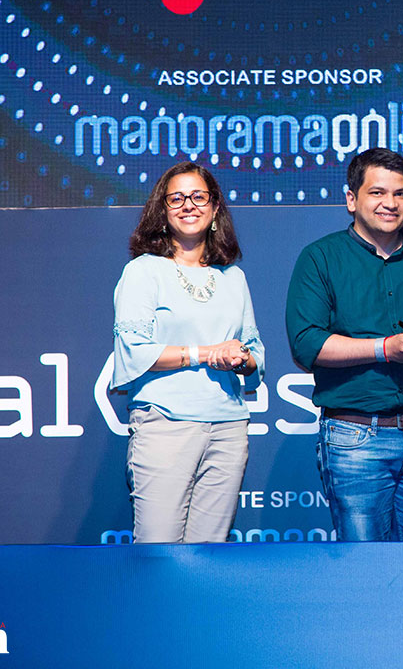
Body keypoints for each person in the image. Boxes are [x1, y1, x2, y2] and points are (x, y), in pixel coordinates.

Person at [285, 148, 403, 541]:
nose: (390, 203)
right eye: (377, 193)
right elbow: (307, 344)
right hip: (354, 438)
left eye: (400, 194)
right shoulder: (320, 258)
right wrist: (384, 349)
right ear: (351, 199)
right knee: (364, 567)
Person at [111, 161, 264, 543]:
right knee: (158, 550)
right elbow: (134, 352)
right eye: (176, 198)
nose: (188, 205)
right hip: (165, 424)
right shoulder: (143, 271)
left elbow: (256, 356)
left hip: (228, 428)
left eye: (198, 196)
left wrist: (239, 358)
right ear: (162, 210)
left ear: (215, 207)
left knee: (210, 553)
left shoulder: (234, 277)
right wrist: (207, 353)